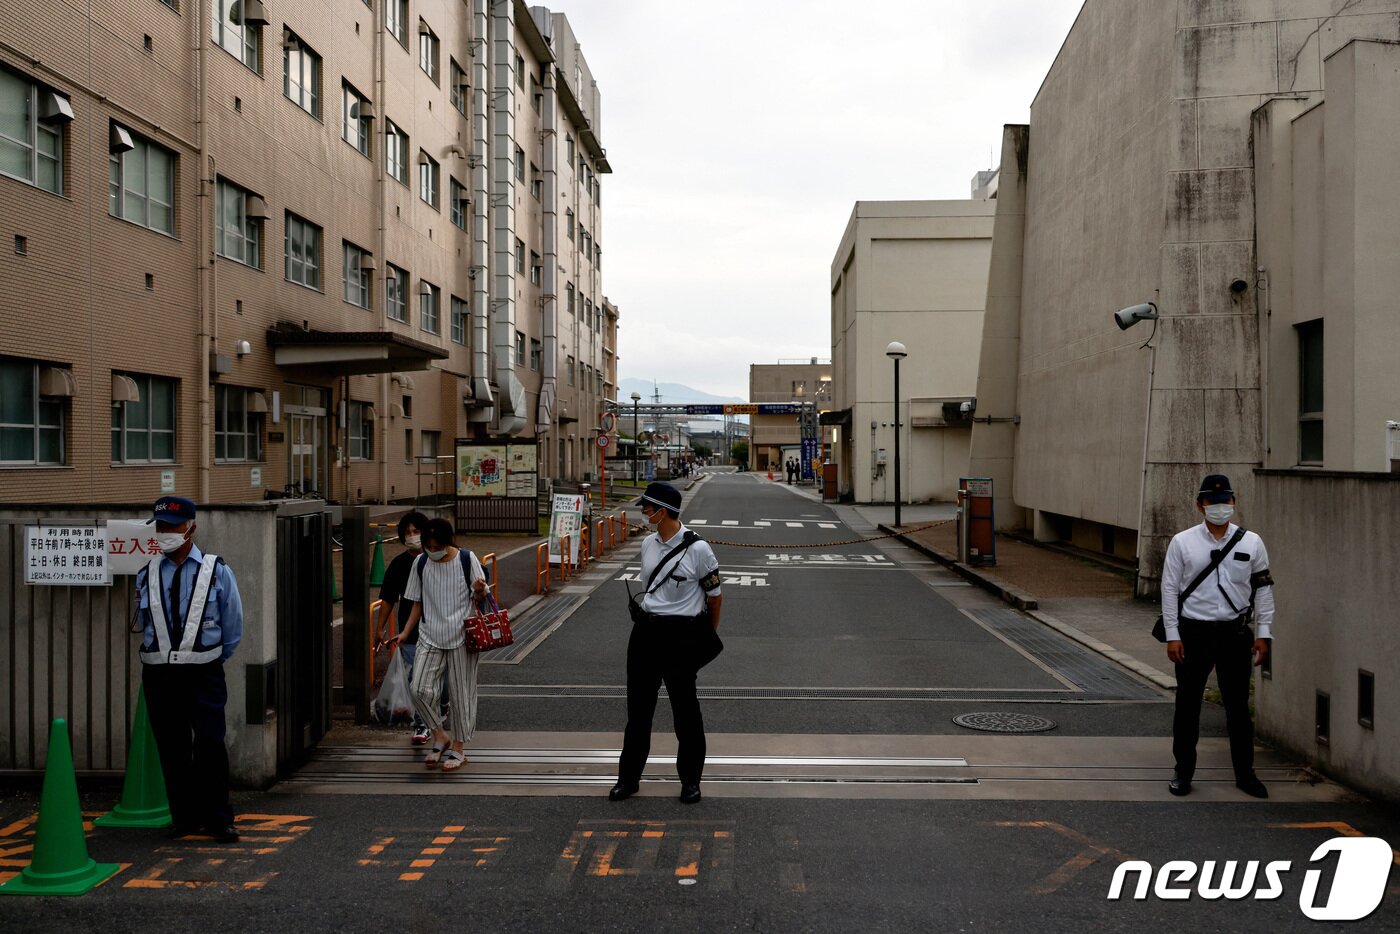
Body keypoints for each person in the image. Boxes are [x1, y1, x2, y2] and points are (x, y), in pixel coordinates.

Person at [135, 496, 244, 842]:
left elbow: (233, 626)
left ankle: (219, 819)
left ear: (191, 527)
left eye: (173, 526)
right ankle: (184, 817)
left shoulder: (217, 571)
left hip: (204, 675)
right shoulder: (146, 572)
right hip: (159, 676)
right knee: (172, 747)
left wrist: (209, 659)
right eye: (161, 527)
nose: (166, 533)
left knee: (210, 745)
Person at [1161, 474, 1275, 799]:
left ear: (1234, 503)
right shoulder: (1182, 542)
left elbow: (1264, 589)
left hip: (1235, 634)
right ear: (1200, 505)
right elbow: (1169, 590)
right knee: (1187, 706)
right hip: (1192, 633)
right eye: (1213, 502)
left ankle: (1245, 775)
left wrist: (1264, 633)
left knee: (1238, 708)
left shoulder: (1252, 542)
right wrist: (1173, 635)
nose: (1220, 507)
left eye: (1226, 501)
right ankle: (1183, 772)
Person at [611, 482, 724, 804]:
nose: (643, 511)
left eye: (648, 506)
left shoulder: (698, 549)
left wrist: (703, 638)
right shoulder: (647, 543)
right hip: (645, 633)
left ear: (663, 512)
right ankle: (628, 779)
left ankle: (691, 782)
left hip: (682, 636)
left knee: (685, 713)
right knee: (638, 712)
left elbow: (715, 598)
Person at [390, 517, 487, 772]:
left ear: (447, 542)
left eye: (436, 547)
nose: (432, 551)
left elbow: (480, 598)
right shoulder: (421, 562)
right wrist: (404, 633)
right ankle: (439, 735)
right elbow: (416, 603)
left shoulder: (467, 559)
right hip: (430, 635)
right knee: (419, 688)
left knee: (461, 696)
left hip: (462, 638)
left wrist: (479, 590)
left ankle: (459, 747)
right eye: (428, 547)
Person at [376, 510, 445, 745]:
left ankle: (442, 705)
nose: (412, 536)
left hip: (442, 630)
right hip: (412, 632)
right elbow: (387, 597)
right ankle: (421, 725)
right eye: (407, 533)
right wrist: (380, 628)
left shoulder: (440, 558)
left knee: (441, 682)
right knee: (418, 682)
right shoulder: (400, 564)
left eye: (416, 531)